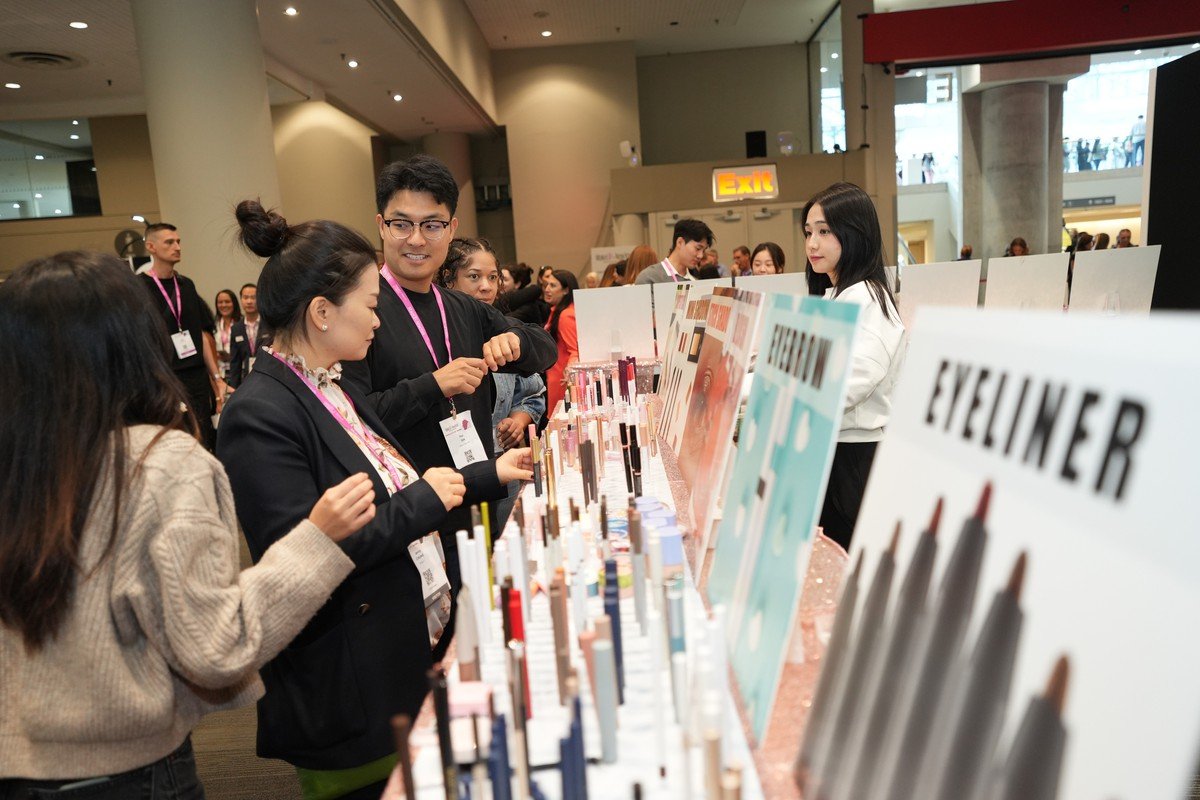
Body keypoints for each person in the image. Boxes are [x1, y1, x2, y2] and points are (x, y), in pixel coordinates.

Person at [0, 250, 375, 799]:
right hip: (128, 769)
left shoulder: (21, 465)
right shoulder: (159, 463)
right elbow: (215, 646)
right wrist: (315, 542)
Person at [219, 202, 534, 800]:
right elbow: (307, 562)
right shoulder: (261, 413)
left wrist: (489, 474)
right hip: (349, 686)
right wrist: (424, 503)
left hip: (396, 652)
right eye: (369, 306)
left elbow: (395, 484)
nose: (377, 320)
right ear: (321, 313)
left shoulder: (331, 385)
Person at [340, 154, 556, 576]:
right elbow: (355, 420)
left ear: (451, 229)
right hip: (406, 519)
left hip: (475, 499)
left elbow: (544, 350)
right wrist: (434, 385)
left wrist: (516, 341)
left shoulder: (462, 307)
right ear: (381, 225)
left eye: (432, 225)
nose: (417, 239)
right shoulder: (363, 310)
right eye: (402, 224)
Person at [803, 182, 905, 550]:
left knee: (846, 566)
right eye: (808, 232)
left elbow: (847, 384)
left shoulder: (868, 300)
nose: (812, 244)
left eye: (824, 231)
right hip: (834, 452)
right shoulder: (839, 296)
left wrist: (776, 391)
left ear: (854, 233)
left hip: (855, 459)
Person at [438, 237, 546, 529]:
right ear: (449, 280)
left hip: (504, 466)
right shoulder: (437, 336)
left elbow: (533, 392)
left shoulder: (503, 333)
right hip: (453, 475)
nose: (486, 286)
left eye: (493, 277)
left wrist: (518, 420)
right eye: (474, 277)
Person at [140, 222, 225, 450]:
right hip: (167, 378)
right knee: (177, 439)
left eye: (178, 242)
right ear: (151, 247)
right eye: (169, 242)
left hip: (197, 378)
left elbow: (201, 334)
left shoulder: (186, 285)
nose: (177, 247)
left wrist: (216, 378)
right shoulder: (140, 287)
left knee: (204, 438)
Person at [543, 269, 579, 414]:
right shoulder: (558, 311)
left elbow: (574, 350)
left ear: (566, 290)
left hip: (562, 378)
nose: (547, 289)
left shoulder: (566, 315)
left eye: (553, 285)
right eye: (546, 285)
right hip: (557, 375)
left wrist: (570, 372)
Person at [635, 218, 712, 284]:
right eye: (698, 248)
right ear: (680, 242)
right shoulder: (650, 278)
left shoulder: (696, 281)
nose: (700, 255)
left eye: (703, 251)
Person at [227, 282, 265, 390]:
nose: (249, 301)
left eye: (253, 297)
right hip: (246, 381)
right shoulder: (236, 329)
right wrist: (234, 389)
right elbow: (235, 362)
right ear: (241, 300)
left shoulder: (268, 325)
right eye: (246, 297)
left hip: (266, 378)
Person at [213, 288, 241, 378]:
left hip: (239, 372)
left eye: (227, 302)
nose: (224, 305)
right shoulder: (213, 325)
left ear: (234, 303)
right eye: (220, 302)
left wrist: (231, 356)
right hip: (219, 372)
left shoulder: (242, 324)